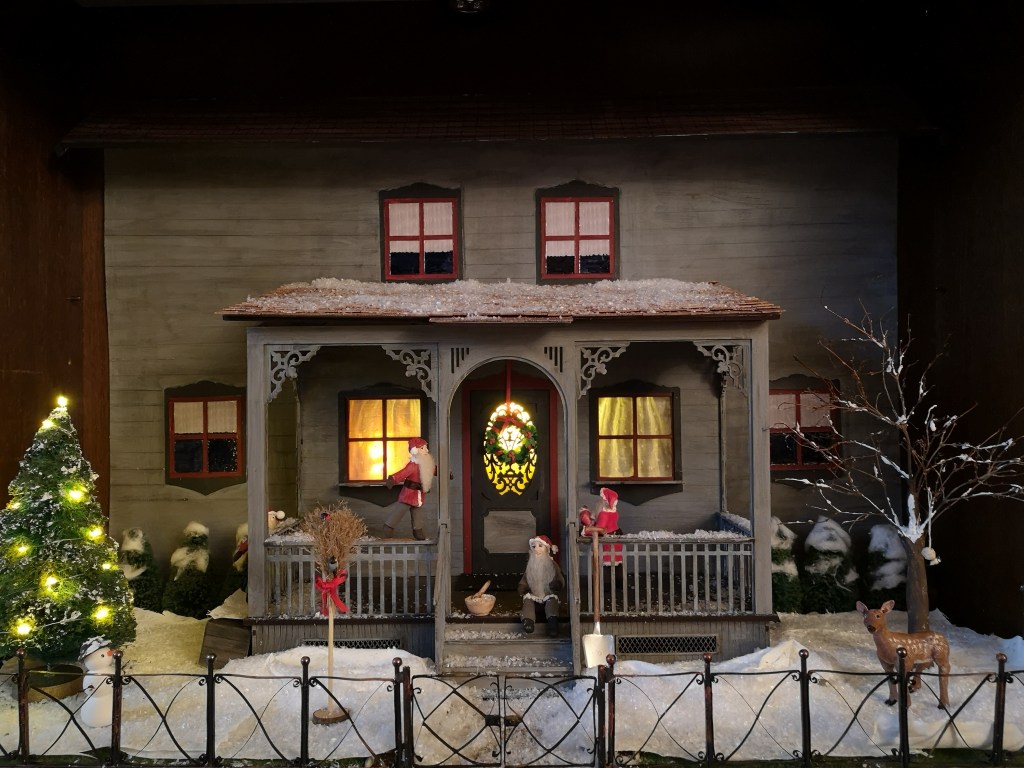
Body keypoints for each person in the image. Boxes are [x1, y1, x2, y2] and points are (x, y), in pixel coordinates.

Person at [384, 437, 435, 540]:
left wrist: (445, 472)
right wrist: (393, 479)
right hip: (409, 494)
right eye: (422, 448)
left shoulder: (426, 464)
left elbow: (433, 470)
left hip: (419, 495)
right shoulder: (412, 466)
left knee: (417, 514)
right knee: (400, 511)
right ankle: (388, 527)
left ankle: (418, 531)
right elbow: (402, 473)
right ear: (415, 451)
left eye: (426, 448)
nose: (426, 450)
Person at [518, 534, 564, 637]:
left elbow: (559, 578)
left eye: (540, 546)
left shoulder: (552, 565)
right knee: (527, 602)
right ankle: (528, 621)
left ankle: (552, 623)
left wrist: (557, 584)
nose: (536, 549)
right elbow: (525, 579)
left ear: (546, 549)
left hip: (548, 594)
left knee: (552, 602)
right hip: (534, 595)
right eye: (534, 546)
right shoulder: (530, 565)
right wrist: (523, 587)